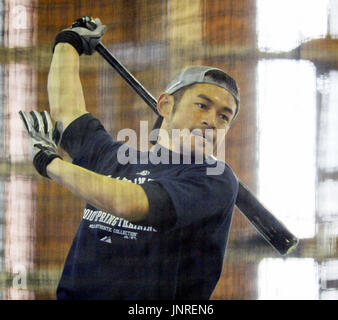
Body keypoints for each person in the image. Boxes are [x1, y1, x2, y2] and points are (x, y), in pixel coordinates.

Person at [19, 17, 240, 300]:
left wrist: (51, 164)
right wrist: (69, 42)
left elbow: (129, 202)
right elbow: (68, 114)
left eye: (224, 116)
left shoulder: (215, 178)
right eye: (202, 105)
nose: (212, 121)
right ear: (165, 105)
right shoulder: (118, 159)